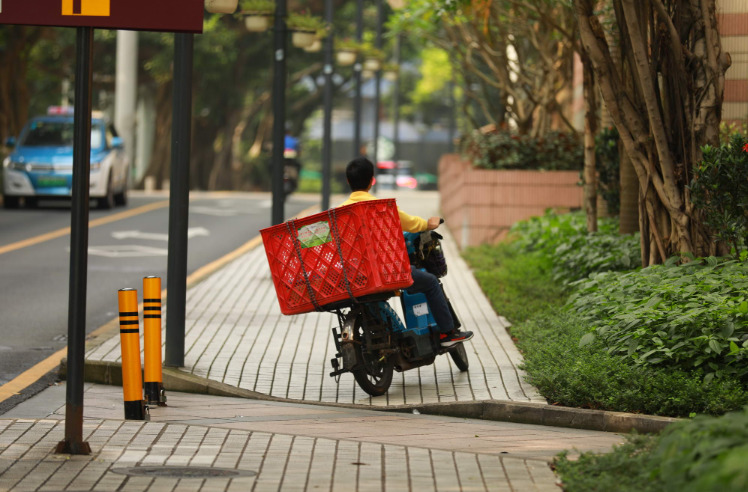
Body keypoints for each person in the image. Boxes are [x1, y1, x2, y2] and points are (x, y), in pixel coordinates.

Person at [341, 157, 474, 347]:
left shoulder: (338, 213)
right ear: (372, 180)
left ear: (348, 181)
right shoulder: (381, 207)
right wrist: (430, 223)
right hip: (385, 272)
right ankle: (447, 333)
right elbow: (412, 223)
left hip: (356, 275)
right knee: (430, 282)